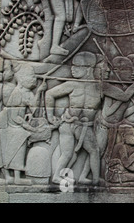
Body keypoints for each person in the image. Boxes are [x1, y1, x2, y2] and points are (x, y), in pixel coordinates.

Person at [45, 51, 102, 185]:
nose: (73, 69)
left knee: (94, 150)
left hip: (85, 126)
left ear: (88, 68)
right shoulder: (72, 84)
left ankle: (95, 180)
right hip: (68, 123)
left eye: (77, 66)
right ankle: (57, 177)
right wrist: (50, 116)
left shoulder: (98, 87)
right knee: (67, 153)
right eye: (72, 65)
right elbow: (49, 94)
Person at [0, 63, 46, 185]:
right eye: (31, 77)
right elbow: (14, 116)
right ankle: (15, 176)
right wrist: (28, 126)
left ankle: (15, 175)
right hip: (13, 126)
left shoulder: (28, 93)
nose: (34, 80)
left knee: (22, 141)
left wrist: (40, 91)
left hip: (20, 125)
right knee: (18, 145)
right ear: (21, 79)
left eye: (34, 77)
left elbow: (34, 108)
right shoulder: (17, 93)